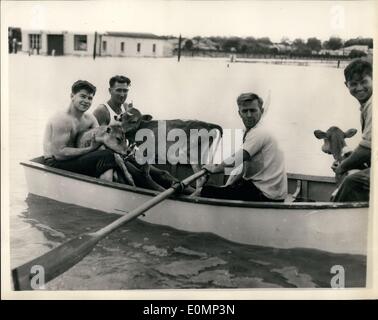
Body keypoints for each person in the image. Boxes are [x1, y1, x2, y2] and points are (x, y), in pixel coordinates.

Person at [200, 92, 287, 202]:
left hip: (265, 195)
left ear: (262, 111)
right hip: (269, 190)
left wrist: (215, 168)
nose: (249, 115)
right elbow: (244, 167)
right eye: (245, 111)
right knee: (219, 190)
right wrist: (227, 187)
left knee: (205, 191)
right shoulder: (253, 130)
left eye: (253, 110)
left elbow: (236, 159)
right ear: (239, 113)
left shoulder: (259, 132)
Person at [43, 80, 123, 181]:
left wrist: (116, 131)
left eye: (90, 98)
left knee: (112, 153)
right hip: (55, 163)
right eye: (83, 96)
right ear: (72, 96)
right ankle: (107, 189)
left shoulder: (90, 118)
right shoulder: (61, 119)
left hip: (75, 158)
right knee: (107, 156)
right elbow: (59, 154)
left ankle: (109, 183)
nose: (86, 101)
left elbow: (101, 138)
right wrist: (89, 149)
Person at [332, 59, 372, 202]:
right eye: (353, 84)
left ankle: (334, 216)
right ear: (346, 85)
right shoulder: (367, 105)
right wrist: (349, 160)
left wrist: (343, 167)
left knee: (351, 181)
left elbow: (368, 149)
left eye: (364, 82)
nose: (359, 87)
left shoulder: (373, 104)